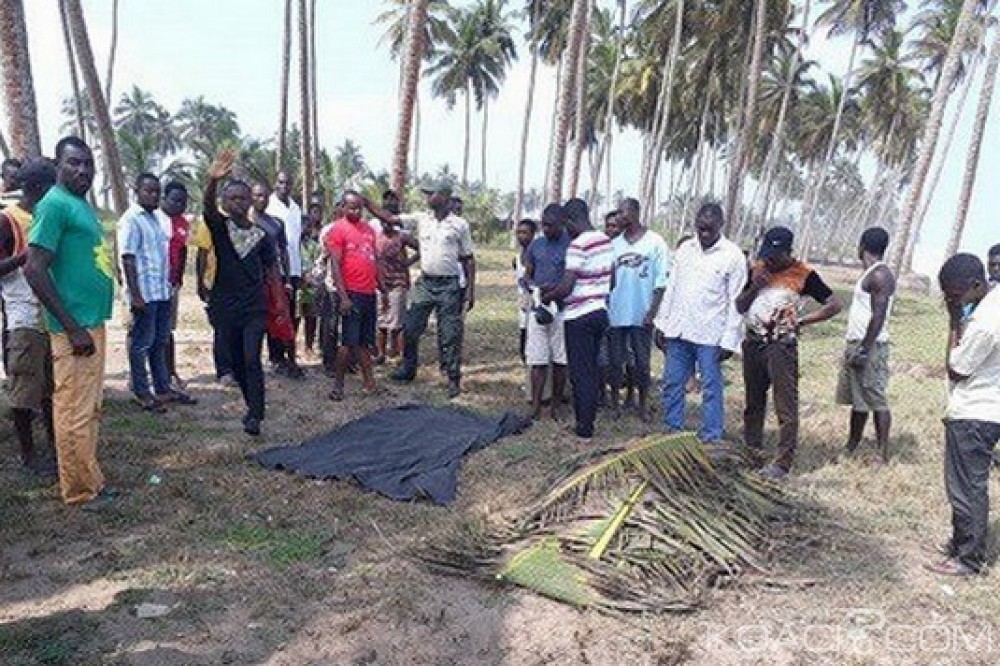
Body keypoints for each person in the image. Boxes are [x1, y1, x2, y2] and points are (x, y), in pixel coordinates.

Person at [24, 136, 116, 509]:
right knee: (74, 410)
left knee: (88, 408)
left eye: (88, 164)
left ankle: (90, 480)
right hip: (74, 329)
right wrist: (71, 326)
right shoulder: (55, 205)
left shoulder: (78, 204)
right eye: (74, 163)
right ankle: (78, 491)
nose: (82, 170)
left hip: (91, 323)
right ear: (58, 166)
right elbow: (34, 267)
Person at [736, 226, 841, 479]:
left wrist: (803, 321)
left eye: (775, 255)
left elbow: (834, 304)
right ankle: (752, 451)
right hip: (753, 342)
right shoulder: (757, 269)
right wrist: (754, 288)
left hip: (781, 346)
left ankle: (782, 463)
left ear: (788, 252)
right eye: (767, 254)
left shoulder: (804, 274)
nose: (769, 260)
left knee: (786, 405)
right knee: (754, 402)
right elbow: (740, 305)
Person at [925, 253, 1000, 577]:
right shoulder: (990, 305)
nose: (951, 301)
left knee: (967, 486)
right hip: (982, 407)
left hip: (975, 412)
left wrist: (954, 319)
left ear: (974, 285)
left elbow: (956, 368)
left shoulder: (985, 321)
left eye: (954, 296)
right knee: (966, 483)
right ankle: (960, 544)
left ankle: (968, 558)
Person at [365, 182, 475, 399]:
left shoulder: (460, 225)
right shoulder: (421, 219)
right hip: (426, 283)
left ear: (443, 196)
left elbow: (469, 260)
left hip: (449, 285)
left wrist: (470, 291)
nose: (427, 197)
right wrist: (366, 202)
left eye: (430, 193)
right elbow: (390, 219)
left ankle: (453, 378)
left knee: (450, 333)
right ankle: (408, 368)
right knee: (411, 327)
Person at [653, 203, 747, 444]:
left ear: (720, 225)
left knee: (711, 388)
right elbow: (672, 288)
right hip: (679, 330)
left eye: (709, 229)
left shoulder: (733, 256)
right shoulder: (685, 249)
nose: (703, 233)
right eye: (700, 228)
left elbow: (736, 302)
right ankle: (672, 430)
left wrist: (729, 340)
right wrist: (661, 323)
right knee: (673, 383)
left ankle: (712, 435)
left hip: (710, 336)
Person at [202, 150, 277, 436]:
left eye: (242, 198)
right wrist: (212, 180)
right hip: (225, 306)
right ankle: (250, 407)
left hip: (254, 307)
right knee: (234, 360)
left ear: (250, 202)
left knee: (251, 359)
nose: (237, 202)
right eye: (231, 198)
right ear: (224, 202)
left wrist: (279, 303)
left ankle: (256, 414)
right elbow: (208, 210)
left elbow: (271, 271)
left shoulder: (262, 236)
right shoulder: (221, 229)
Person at [119, 173, 197, 413]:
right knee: (141, 344)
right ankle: (142, 392)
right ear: (137, 191)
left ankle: (163, 388)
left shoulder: (154, 219)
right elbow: (128, 258)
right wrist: (136, 295)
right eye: (148, 191)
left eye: (156, 192)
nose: (153, 196)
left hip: (161, 291)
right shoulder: (131, 219)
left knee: (160, 341)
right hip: (145, 294)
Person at [0, 158, 56, 478]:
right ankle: (28, 454)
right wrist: (26, 257)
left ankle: (54, 446)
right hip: (24, 318)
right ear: (35, 187)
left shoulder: (45, 216)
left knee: (50, 390)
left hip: (50, 316)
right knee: (24, 391)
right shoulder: (8, 220)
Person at [543, 198, 613, 439]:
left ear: (572, 220)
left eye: (566, 225)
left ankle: (584, 428)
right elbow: (609, 280)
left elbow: (567, 286)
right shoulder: (605, 240)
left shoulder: (577, 245)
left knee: (581, 373)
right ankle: (588, 419)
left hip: (579, 316)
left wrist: (548, 295)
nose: (566, 231)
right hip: (600, 311)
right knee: (592, 370)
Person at [837, 227, 896, 463]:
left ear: (861, 246)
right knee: (859, 400)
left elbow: (878, 316)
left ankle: (881, 454)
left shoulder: (880, 275)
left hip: (870, 346)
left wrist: (864, 348)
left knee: (875, 397)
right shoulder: (871, 273)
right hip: (859, 343)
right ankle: (852, 444)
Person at [607, 197, 669, 423]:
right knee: (616, 362)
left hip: (642, 314)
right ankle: (616, 403)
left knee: (642, 363)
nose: (619, 217)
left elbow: (661, 282)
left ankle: (641, 404)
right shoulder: (615, 245)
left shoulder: (655, 243)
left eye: (623, 213)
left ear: (634, 212)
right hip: (617, 313)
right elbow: (610, 280)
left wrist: (652, 312)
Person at [326, 190, 381, 400]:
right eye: (351, 207)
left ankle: (369, 383)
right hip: (352, 294)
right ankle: (338, 386)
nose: (356, 211)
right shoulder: (338, 230)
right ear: (343, 208)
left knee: (365, 342)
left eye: (359, 207)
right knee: (348, 343)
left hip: (369, 293)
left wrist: (381, 288)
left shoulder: (368, 230)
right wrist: (344, 297)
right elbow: (336, 266)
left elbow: (373, 261)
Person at [524, 204, 571, 420]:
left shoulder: (571, 246)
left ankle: (556, 405)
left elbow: (573, 279)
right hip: (538, 308)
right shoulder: (536, 245)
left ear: (561, 223)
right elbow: (527, 275)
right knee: (537, 359)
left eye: (550, 225)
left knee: (560, 360)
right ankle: (535, 405)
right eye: (543, 224)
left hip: (562, 309)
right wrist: (533, 287)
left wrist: (556, 291)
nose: (545, 229)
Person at [253, 181, 303, 379]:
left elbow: (285, 252)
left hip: (276, 277)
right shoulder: (246, 221)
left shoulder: (276, 223)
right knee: (256, 321)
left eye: (263, 196)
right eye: (257, 196)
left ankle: (281, 359)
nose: (261, 200)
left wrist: (289, 278)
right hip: (252, 279)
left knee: (281, 318)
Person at [191, 214, 235, 385]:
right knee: (223, 329)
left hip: (241, 285)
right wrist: (200, 282)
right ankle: (224, 371)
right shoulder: (208, 223)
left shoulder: (245, 222)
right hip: (216, 283)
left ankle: (238, 368)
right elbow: (202, 254)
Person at [157, 181, 192, 390]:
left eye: (183, 202)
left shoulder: (183, 224)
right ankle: (142, 377)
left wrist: (179, 278)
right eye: (175, 200)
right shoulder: (154, 219)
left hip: (171, 284)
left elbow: (184, 250)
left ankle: (169, 372)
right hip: (151, 283)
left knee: (167, 330)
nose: (180, 205)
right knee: (144, 332)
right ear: (164, 199)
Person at [266, 171, 304, 359]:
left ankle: (289, 353)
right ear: (275, 183)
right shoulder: (269, 206)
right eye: (281, 182)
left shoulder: (296, 208)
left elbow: (296, 242)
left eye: (288, 183)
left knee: (291, 313)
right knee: (276, 313)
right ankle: (276, 356)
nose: (284, 186)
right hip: (275, 268)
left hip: (294, 269)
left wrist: (300, 269)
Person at [375, 191, 415, 364]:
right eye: (383, 221)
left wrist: (408, 262)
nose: (387, 224)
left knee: (397, 323)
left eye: (389, 221)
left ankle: (398, 354)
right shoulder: (375, 237)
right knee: (381, 321)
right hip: (380, 283)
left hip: (398, 282)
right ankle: (380, 354)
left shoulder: (402, 236)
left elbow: (422, 248)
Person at [299, 193, 325, 357]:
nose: (315, 214)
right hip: (299, 279)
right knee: (297, 313)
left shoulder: (323, 234)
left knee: (312, 315)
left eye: (318, 210)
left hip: (315, 281)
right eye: (313, 210)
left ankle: (310, 346)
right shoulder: (300, 232)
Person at [514, 218, 537, 363]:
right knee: (523, 330)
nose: (521, 236)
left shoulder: (538, 255)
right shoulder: (517, 257)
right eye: (519, 232)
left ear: (533, 234)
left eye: (525, 233)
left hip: (535, 301)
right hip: (523, 302)